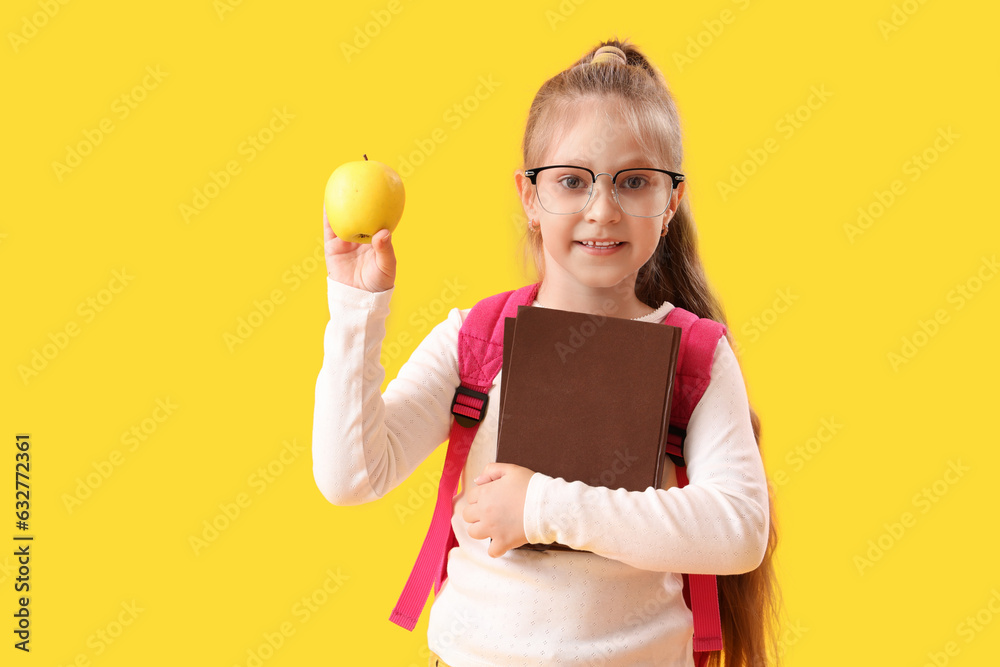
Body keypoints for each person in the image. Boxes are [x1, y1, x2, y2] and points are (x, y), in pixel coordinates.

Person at [313, 37, 779, 667]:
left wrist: (541, 507)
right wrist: (355, 309)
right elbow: (352, 478)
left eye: (634, 182)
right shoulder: (475, 339)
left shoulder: (695, 356)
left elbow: (737, 532)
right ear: (530, 196)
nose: (602, 210)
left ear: (670, 202)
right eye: (571, 181)